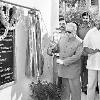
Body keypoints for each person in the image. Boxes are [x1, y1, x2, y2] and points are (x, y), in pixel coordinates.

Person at [48, 22, 83, 100]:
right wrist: (52, 49)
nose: (67, 33)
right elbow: (57, 48)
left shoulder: (79, 42)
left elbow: (77, 56)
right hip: (63, 70)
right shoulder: (62, 38)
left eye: (69, 32)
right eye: (66, 31)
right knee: (65, 91)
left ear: (75, 31)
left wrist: (64, 61)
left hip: (73, 71)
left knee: (75, 92)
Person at [83, 21, 100, 100]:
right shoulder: (90, 32)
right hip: (93, 63)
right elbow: (85, 47)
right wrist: (93, 51)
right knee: (91, 85)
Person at [78, 12, 91, 94]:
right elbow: (75, 39)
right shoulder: (78, 28)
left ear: (89, 19)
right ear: (82, 19)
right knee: (79, 71)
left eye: (87, 18)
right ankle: (78, 86)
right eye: (84, 18)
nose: (85, 19)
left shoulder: (92, 29)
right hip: (80, 53)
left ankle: (85, 87)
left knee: (86, 71)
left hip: (89, 53)